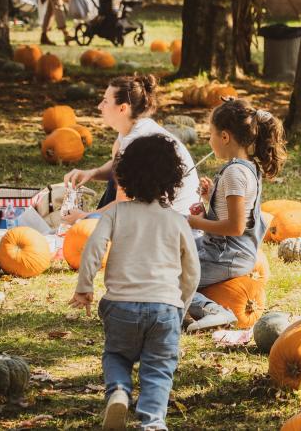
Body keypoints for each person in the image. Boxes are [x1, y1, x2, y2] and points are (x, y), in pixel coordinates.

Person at [70, 134, 200, 431]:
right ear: (173, 178)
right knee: (159, 367)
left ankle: (118, 390)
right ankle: (152, 421)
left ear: (124, 175)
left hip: (121, 306)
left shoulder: (115, 212)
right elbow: (192, 270)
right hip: (165, 308)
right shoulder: (177, 221)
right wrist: (182, 305)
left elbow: (93, 248)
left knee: (117, 354)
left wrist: (84, 288)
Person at [185, 99, 286, 332]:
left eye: (210, 134)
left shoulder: (234, 174)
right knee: (172, 255)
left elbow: (235, 226)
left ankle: (215, 311)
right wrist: (211, 197)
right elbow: (235, 212)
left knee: (169, 279)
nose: (208, 140)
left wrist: (194, 221)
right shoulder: (246, 167)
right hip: (230, 249)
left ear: (225, 137)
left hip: (227, 255)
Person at [63, 75, 200, 223]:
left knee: (96, 221)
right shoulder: (133, 127)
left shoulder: (136, 142)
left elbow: (123, 206)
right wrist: (93, 173)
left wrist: (84, 217)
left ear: (122, 108)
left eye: (106, 101)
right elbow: (119, 168)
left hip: (173, 220)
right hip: (159, 211)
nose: (99, 106)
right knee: (115, 179)